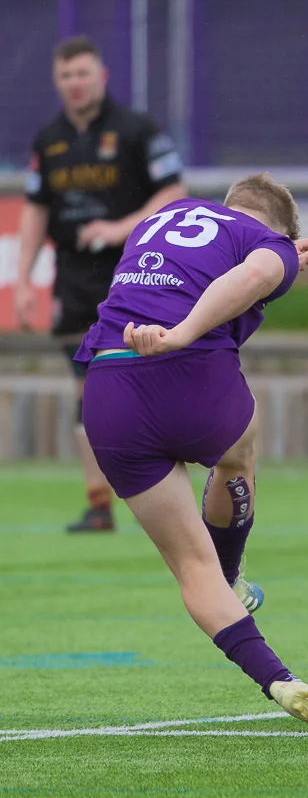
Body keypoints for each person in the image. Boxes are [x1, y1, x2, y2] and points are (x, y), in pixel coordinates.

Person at [73, 173, 308, 733]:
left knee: (191, 567)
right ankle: (233, 573)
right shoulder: (268, 249)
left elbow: (212, 265)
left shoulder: (168, 218)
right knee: (239, 449)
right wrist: (183, 333)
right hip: (188, 378)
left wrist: (283, 257)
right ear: (282, 231)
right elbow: (255, 271)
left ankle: (280, 682)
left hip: (109, 389)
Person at [14, 35, 187, 534]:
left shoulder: (136, 130)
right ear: (57, 81)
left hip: (138, 274)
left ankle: (170, 490)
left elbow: (174, 190)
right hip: (73, 279)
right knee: (85, 389)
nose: (75, 84)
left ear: (102, 76)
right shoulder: (49, 140)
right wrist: (24, 280)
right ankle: (98, 505)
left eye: (83, 73)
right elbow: (37, 209)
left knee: (150, 376)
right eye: (66, 76)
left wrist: (119, 228)